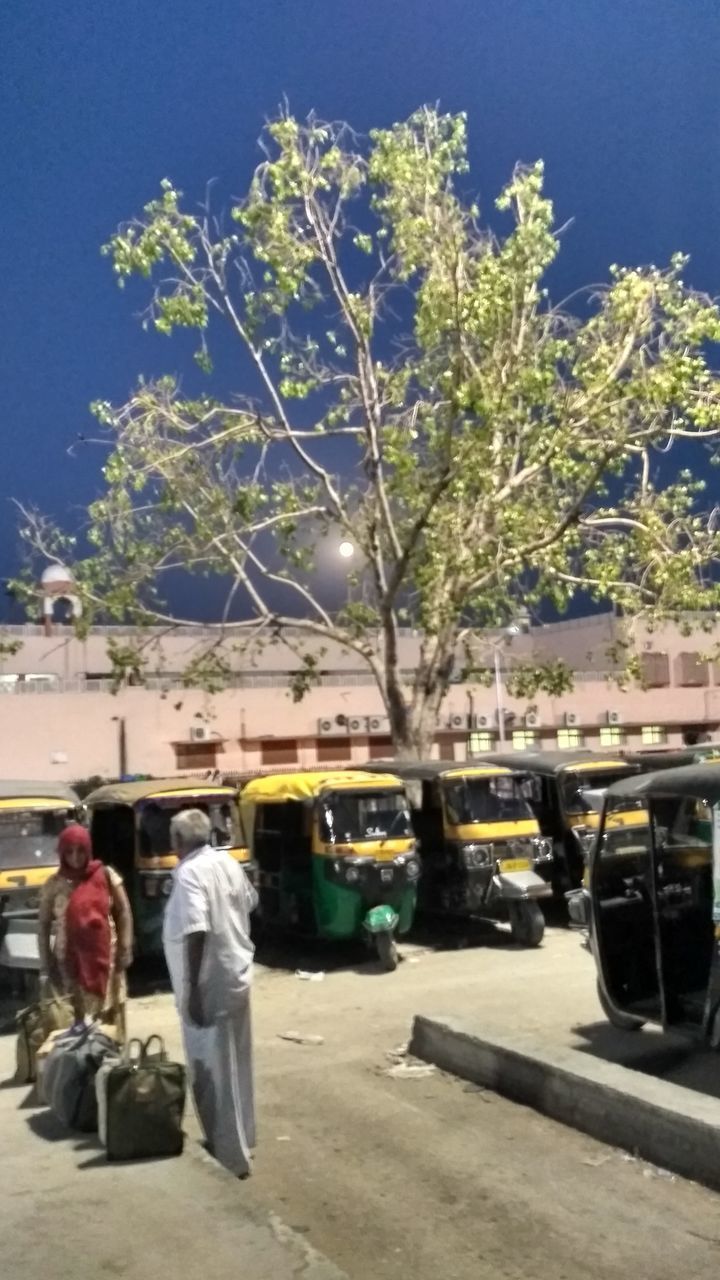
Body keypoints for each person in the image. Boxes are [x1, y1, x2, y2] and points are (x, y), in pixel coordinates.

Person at [162, 807, 258, 1178]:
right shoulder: (226, 863)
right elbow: (250, 902)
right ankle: (244, 1141)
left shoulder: (189, 875)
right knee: (239, 1063)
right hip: (236, 974)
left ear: (179, 841)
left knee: (213, 1073)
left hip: (209, 986)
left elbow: (197, 930)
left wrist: (193, 991)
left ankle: (230, 1155)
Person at [37, 824, 133, 1040]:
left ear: (88, 850)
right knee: (73, 1019)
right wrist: (45, 964)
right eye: (69, 851)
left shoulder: (106, 875)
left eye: (81, 850)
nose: (75, 857)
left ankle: (111, 1064)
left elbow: (124, 910)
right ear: (62, 853)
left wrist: (126, 946)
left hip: (105, 961)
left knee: (108, 1017)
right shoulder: (54, 884)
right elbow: (43, 924)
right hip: (68, 964)